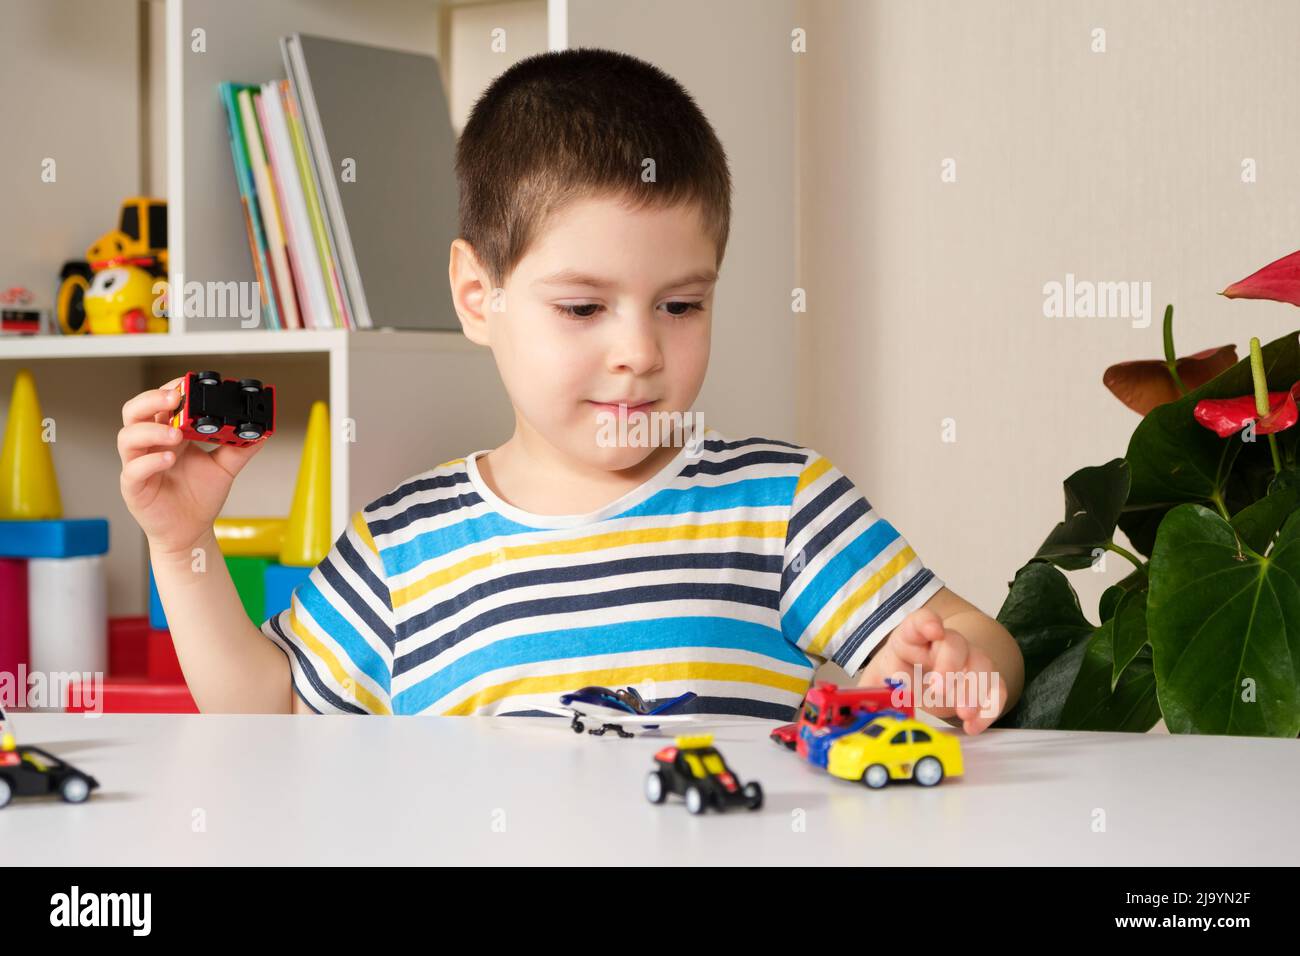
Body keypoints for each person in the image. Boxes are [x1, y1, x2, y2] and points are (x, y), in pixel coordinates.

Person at [118, 49, 1022, 729]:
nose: (639, 351)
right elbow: (268, 715)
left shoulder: (780, 504)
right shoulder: (403, 545)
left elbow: (979, 635)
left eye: (680, 303)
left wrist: (957, 669)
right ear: (480, 296)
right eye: (584, 307)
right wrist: (181, 542)